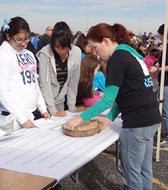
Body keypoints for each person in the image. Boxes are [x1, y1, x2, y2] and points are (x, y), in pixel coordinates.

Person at [65, 23, 161, 190]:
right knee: (144, 170)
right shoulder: (130, 52)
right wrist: (108, 118)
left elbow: (108, 100)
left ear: (106, 41)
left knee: (132, 176)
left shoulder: (117, 58)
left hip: (137, 123)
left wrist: (80, 118)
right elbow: (124, 94)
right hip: (150, 118)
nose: (95, 53)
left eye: (95, 47)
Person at [0, 17, 50, 131]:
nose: (23, 43)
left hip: (33, 112)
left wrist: (43, 109)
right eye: (19, 39)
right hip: (14, 117)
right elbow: (2, 92)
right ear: (8, 36)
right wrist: (22, 119)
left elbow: (34, 83)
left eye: (26, 39)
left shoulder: (29, 54)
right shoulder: (3, 55)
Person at [37, 21, 81, 116]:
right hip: (45, 104)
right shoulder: (45, 53)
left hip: (61, 101)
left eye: (64, 47)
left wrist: (72, 108)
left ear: (70, 42)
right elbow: (45, 84)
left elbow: (73, 83)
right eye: (57, 46)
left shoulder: (76, 52)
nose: (61, 50)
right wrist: (53, 111)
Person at [157, 24, 168, 148]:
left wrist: (159, 69)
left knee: (166, 112)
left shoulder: (167, 48)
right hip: (164, 84)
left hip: (166, 84)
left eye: (160, 34)